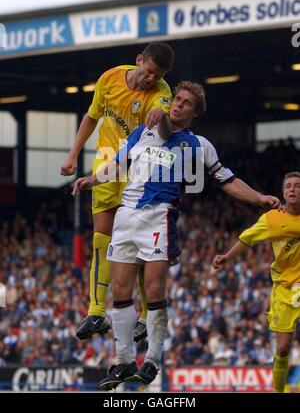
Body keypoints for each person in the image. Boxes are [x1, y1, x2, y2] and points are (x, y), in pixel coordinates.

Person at [72, 80, 280, 390]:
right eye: (177, 99)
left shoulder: (198, 144)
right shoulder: (143, 132)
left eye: (186, 104)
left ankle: (152, 360)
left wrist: (260, 198)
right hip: (126, 215)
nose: (179, 104)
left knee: (154, 290)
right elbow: (118, 163)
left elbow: (228, 180)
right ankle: (124, 360)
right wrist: (91, 179)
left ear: (195, 113)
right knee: (120, 289)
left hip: (159, 217)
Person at [61, 42, 175, 341]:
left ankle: (147, 315)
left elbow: (163, 119)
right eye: (149, 71)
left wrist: (159, 114)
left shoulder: (162, 93)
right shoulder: (109, 78)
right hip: (107, 163)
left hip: (139, 169)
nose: (151, 78)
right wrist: (73, 155)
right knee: (102, 238)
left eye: (157, 75)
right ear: (139, 61)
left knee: (136, 245)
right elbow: (91, 117)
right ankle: (96, 311)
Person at [212, 171, 300, 393]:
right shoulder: (272, 219)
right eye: (288, 186)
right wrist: (226, 257)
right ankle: (278, 391)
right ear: (282, 192)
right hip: (284, 288)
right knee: (282, 348)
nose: (292, 189)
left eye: (297, 186)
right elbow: (247, 238)